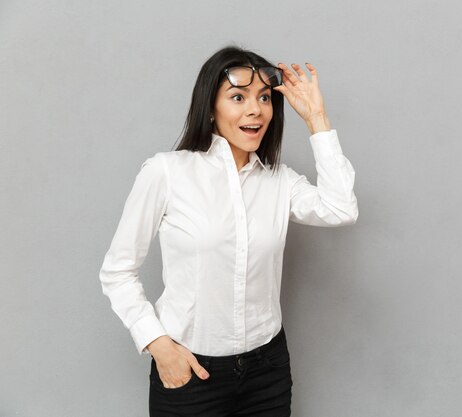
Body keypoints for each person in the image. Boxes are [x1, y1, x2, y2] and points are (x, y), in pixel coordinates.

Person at [99, 46, 358, 417]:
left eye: (265, 98)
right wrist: (157, 344)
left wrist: (317, 119)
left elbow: (341, 209)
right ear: (209, 107)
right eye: (238, 97)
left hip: (267, 372)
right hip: (191, 372)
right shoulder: (167, 172)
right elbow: (117, 271)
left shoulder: (279, 181)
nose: (255, 109)